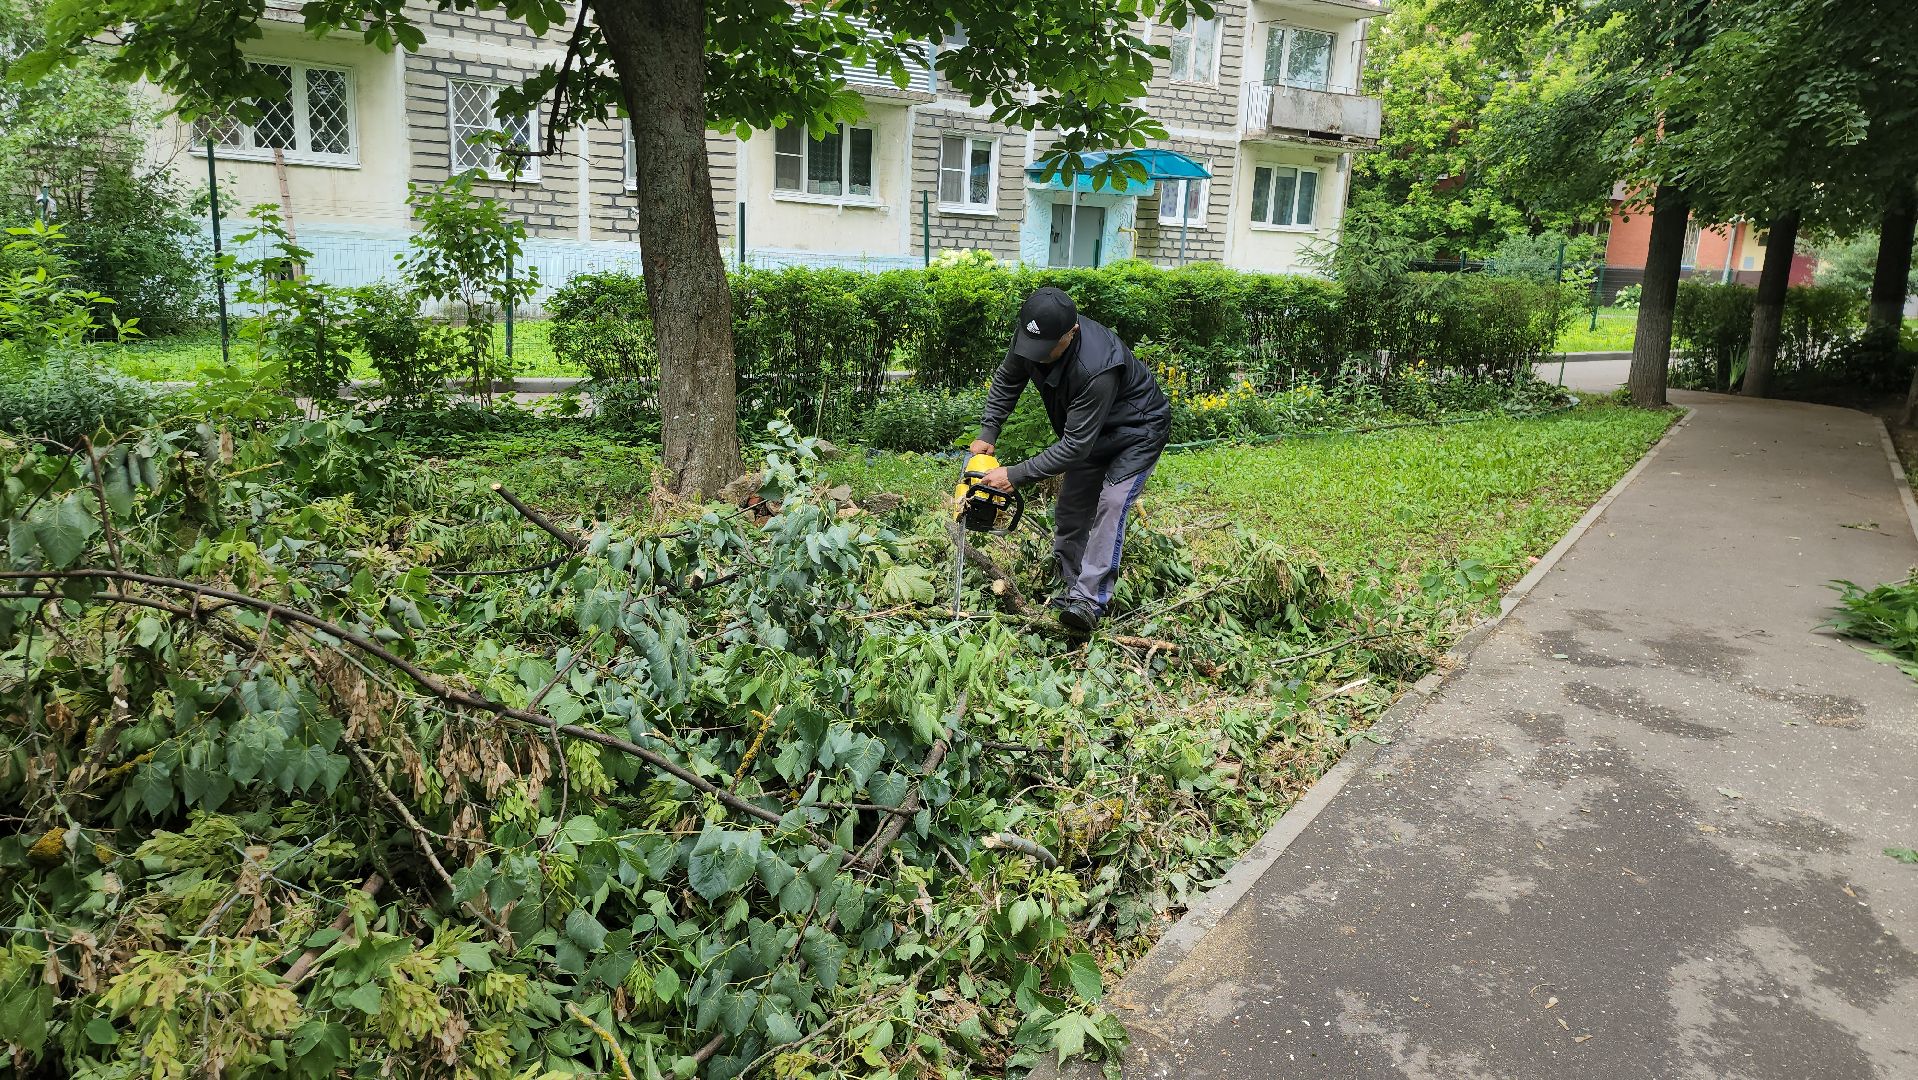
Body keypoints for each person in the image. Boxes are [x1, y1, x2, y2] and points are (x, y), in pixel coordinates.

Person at [970, 286, 1171, 632]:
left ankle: (1090, 601)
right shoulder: (1033, 337)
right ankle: (1070, 583)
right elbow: (1007, 379)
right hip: (1088, 436)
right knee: (1071, 509)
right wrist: (989, 431)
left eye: (1046, 350)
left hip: (1136, 433)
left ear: (1071, 332)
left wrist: (1015, 474)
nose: (1037, 356)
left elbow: (1075, 446)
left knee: (1111, 503)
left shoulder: (1096, 367)